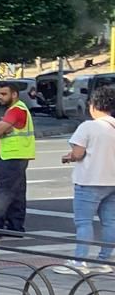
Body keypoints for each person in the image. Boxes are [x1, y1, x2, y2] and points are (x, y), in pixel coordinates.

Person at [57, 84, 115, 276]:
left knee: (84, 222)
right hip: (112, 181)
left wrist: (69, 157)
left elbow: (78, 153)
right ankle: (103, 260)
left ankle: (80, 261)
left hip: (89, 180)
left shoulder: (88, 126)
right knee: (110, 222)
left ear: (93, 105)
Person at [0, 81, 35, 234]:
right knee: (17, 192)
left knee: (3, 192)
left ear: (14, 94)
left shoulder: (15, 110)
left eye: (4, 94)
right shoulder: (19, 108)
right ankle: (15, 226)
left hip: (11, 155)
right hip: (18, 154)